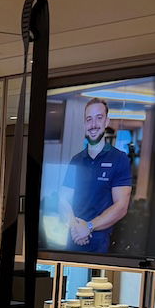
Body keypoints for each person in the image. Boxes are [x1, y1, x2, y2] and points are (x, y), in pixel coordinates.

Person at [57, 98, 132, 253]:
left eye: (99, 118)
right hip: (72, 241)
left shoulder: (119, 159)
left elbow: (121, 207)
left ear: (106, 121)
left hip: (101, 246)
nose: (93, 124)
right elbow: (63, 199)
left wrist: (89, 226)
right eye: (89, 119)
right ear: (85, 124)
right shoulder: (76, 160)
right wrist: (76, 228)